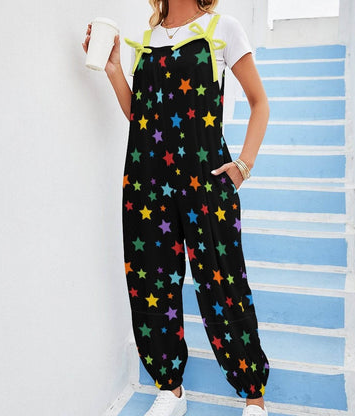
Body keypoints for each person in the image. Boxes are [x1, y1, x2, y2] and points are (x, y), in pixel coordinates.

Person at [82, 0, 270, 415]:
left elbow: (260, 102)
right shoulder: (146, 39)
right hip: (148, 182)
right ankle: (170, 389)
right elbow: (141, 117)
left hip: (206, 183)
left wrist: (243, 166)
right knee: (151, 284)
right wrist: (114, 69)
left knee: (223, 284)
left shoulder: (223, 28)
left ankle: (253, 397)